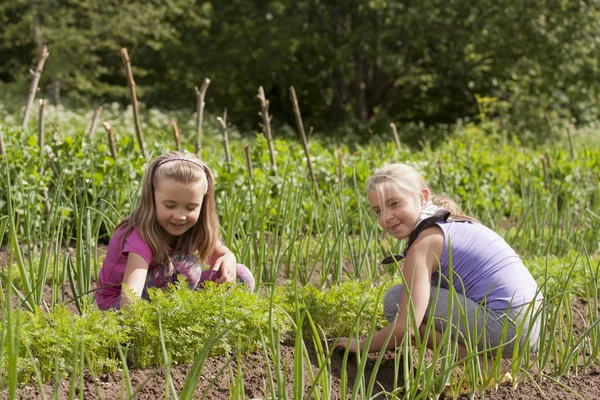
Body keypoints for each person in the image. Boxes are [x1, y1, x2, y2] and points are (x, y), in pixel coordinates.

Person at [336, 163, 542, 382]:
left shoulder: (425, 243)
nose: (386, 217)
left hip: (508, 327)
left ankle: (485, 367)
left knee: (396, 302)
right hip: (533, 323)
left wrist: (362, 345)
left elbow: (407, 327)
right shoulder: (450, 221)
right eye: (378, 211)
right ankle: (488, 365)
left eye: (394, 204)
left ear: (423, 197)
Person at [96, 151, 255, 311]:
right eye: (170, 206)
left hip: (160, 298)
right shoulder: (141, 235)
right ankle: (170, 327)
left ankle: (206, 325)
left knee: (241, 275)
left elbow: (222, 254)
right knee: (186, 269)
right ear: (152, 199)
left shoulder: (194, 227)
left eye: (191, 207)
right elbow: (129, 299)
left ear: (203, 204)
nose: (180, 216)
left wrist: (229, 257)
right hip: (118, 311)